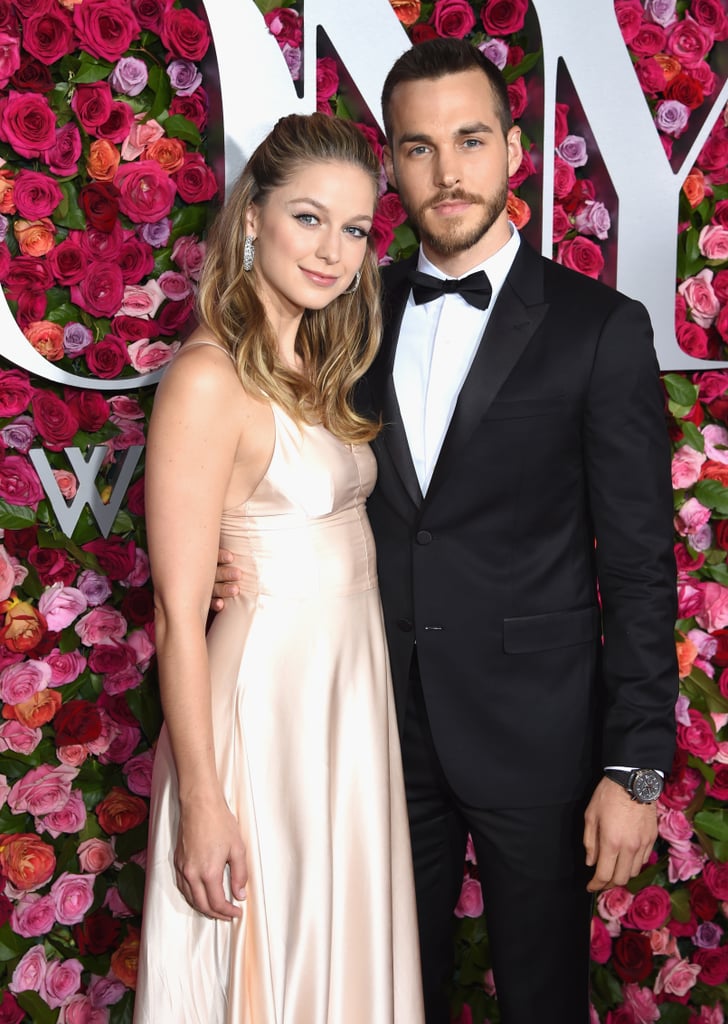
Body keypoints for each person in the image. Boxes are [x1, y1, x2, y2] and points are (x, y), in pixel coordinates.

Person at [214, 40, 678, 1024]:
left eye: (469, 140)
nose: (447, 170)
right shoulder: (345, 311)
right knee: (382, 997)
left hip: (540, 739)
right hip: (374, 730)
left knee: (542, 1000)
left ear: (513, 148)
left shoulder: (597, 328)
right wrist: (239, 557)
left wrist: (633, 765)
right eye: (418, 148)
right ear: (392, 166)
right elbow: (279, 462)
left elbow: (639, 563)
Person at [134, 111, 424, 1024]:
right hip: (262, 719)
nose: (333, 250)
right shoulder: (207, 378)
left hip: (345, 705)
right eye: (308, 218)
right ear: (251, 218)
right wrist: (206, 804)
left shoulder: (317, 365)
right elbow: (181, 616)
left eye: (354, 229)